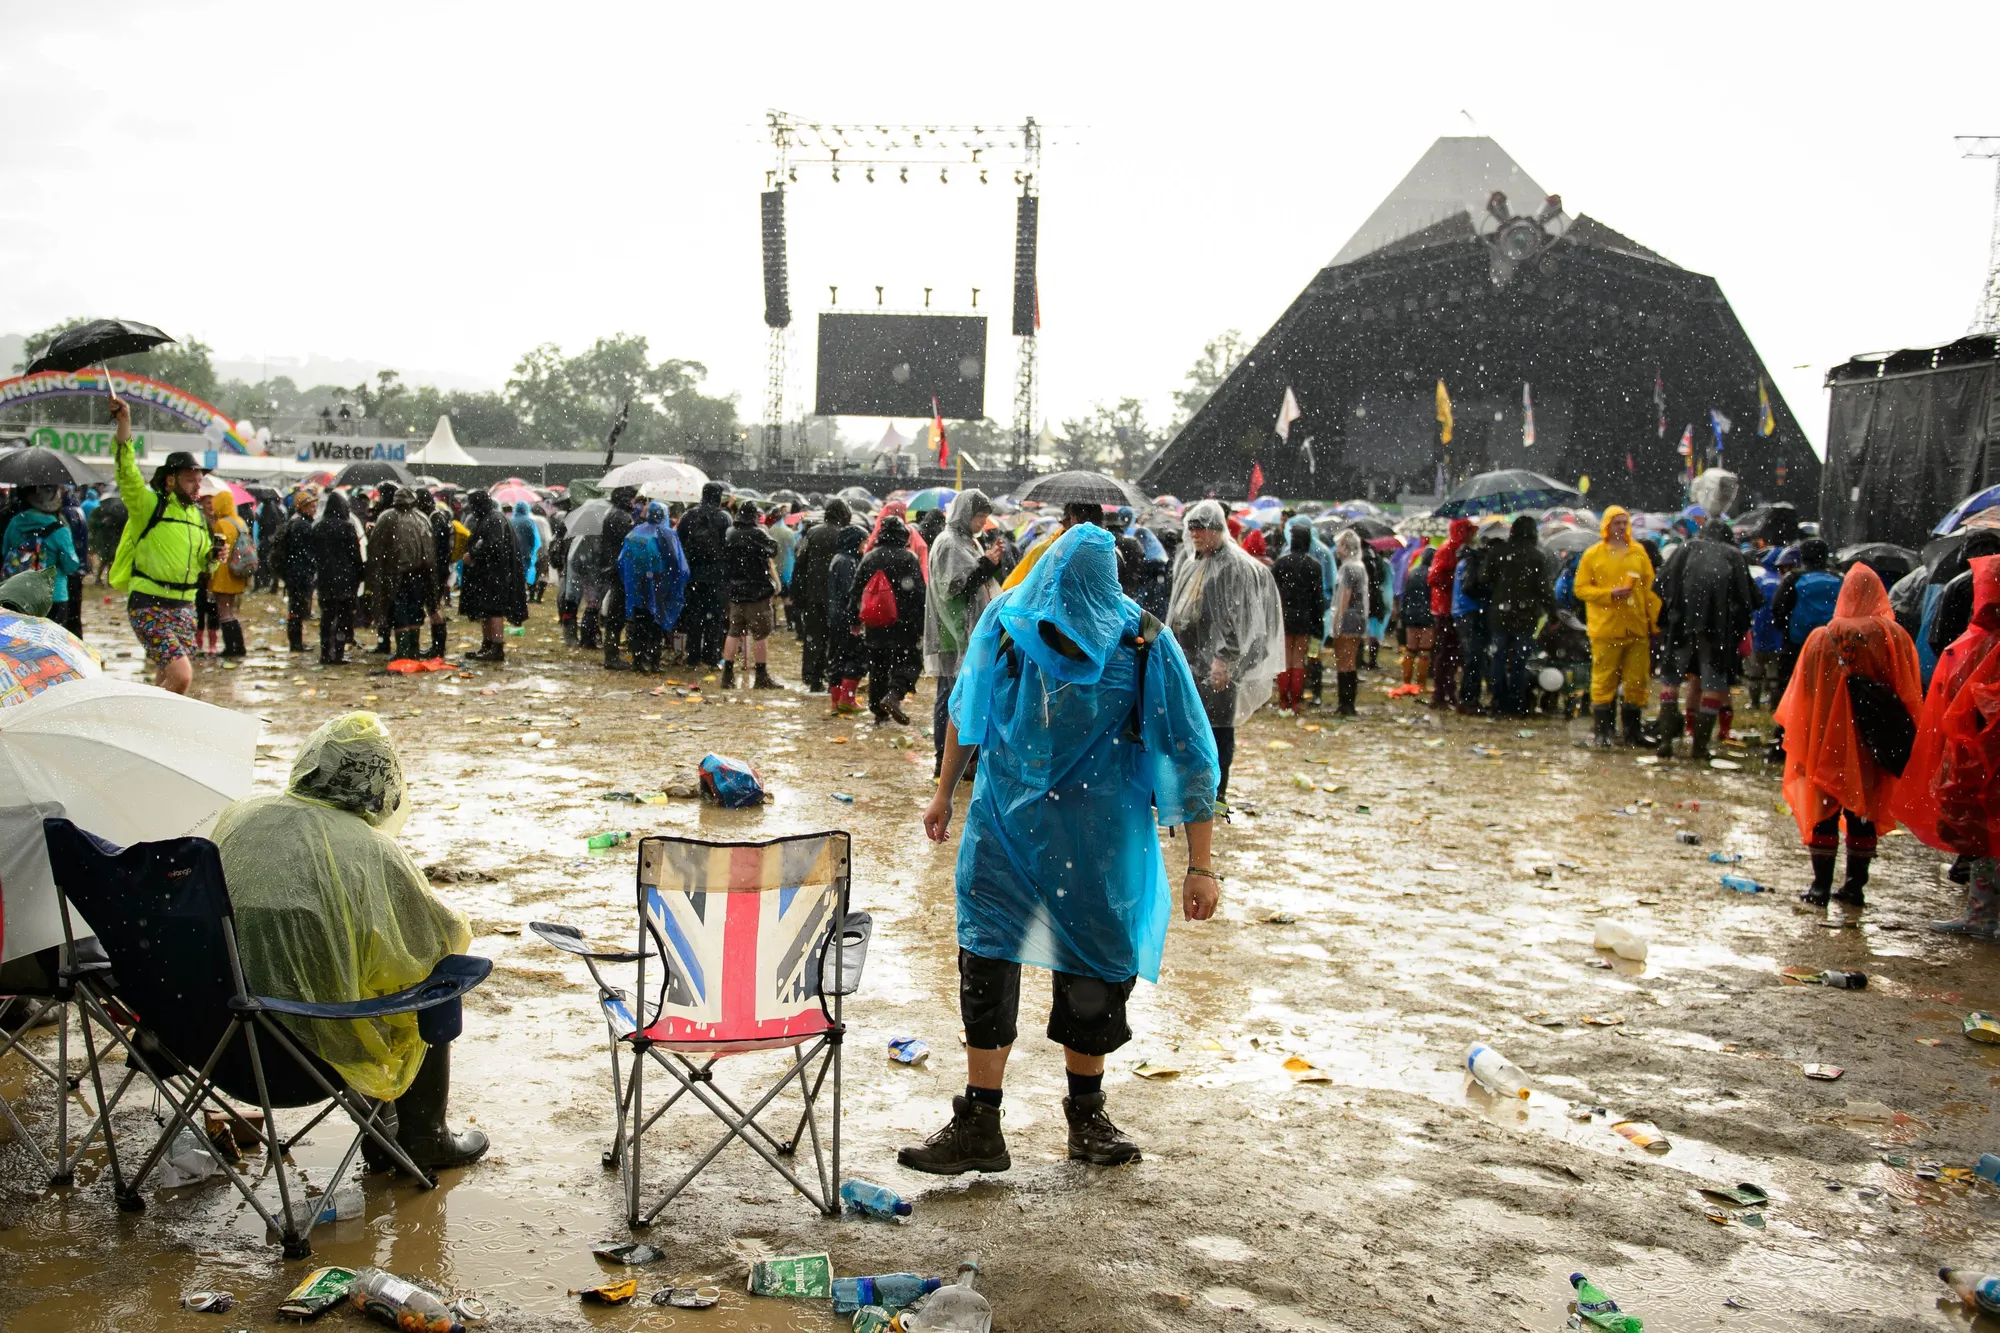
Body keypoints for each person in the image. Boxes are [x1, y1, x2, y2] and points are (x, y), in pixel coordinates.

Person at [904, 523, 1219, 1174]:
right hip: (1004, 830)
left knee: (1094, 977)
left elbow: (1189, 750)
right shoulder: (1005, 621)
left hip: (1098, 844)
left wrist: (1202, 863)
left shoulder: (1142, 641)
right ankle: (980, 1121)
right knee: (986, 960)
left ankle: (1087, 1118)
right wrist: (944, 791)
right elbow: (970, 709)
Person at [212, 713, 486, 1169]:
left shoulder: (241, 815)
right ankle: (423, 1136)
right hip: (313, 1055)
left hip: (209, 1039)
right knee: (441, 980)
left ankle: (386, 1126)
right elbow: (441, 938)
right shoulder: (373, 850)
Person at [1773, 564, 1921, 909]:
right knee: (1863, 810)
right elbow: (1909, 689)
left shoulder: (1821, 637)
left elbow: (1802, 691)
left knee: (1824, 808)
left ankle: (1820, 887)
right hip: (1873, 739)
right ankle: (1854, 888)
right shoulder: (1894, 636)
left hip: (1826, 737)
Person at [1895, 554, 2000, 935]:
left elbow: (1965, 700)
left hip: (1983, 755)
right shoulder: (1983, 641)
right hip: (1982, 752)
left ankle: (1983, 914)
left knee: (1987, 831)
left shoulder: (1983, 643)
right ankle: (1983, 912)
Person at [1167, 500, 1283, 806]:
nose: (1194, 533)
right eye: (1191, 527)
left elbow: (1236, 620)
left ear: (1218, 530)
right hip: (1192, 659)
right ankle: (1195, 785)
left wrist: (1224, 660)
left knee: (1219, 727)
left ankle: (1216, 791)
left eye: (1201, 527)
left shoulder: (1232, 565)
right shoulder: (1195, 561)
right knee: (1192, 726)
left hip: (1218, 665)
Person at [108, 401, 209, 695]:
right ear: (169, 480)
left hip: (185, 607)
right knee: (182, 677)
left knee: (166, 677)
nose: (197, 486)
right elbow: (126, 473)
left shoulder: (197, 516)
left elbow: (202, 564)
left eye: (200, 480)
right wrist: (124, 424)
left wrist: (213, 558)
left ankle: (145, 726)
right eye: (190, 480)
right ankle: (154, 724)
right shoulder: (148, 505)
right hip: (149, 604)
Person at [1652, 518, 1756, 759]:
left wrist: (1674, 616)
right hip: (1718, 631)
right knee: (1713, 685)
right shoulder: (1733, 555)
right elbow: (1747, 599)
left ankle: (1666, 741)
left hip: (1680, 627)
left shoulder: (1684, 548)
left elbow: (1661, 585)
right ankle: (1700, 747)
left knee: (1671, 681)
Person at [925, 490, 1003, 768]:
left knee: (966, 697)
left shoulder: (968, 542)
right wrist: (985, 565)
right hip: (953, 631)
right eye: (980, 517)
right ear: (965, 515)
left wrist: (991, 562)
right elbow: (953, 586)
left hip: (968, 629)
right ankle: (942, 761)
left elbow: (975, 579)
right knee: (950, 697)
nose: (983, 523)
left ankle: (963, 762)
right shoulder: (948, 543)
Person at [1573, 505, 1660, 747]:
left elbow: (1650, 591)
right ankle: (1603, 731)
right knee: (1604, 680)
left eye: (1624, 522)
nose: (1621, 527)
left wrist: (1654, 623)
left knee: (1636, 681)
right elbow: (1580, 589)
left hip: (1637, 628)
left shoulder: (1638, 552)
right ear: (1607, 526)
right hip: (1606, 629)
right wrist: (1609, 594)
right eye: (1617, 523)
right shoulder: (1593, 554)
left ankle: (1632, 731)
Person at [847, 513, 926, 724]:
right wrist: (922, 626)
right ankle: (894, 694)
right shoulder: (909, 558)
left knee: (878, 666)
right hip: (904, 624)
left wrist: (854, 620)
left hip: (876, 623)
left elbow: (856, 592)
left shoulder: (870, 557)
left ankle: (878, 712)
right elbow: (919, 594)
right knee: (910, 662)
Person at [1481, 515, 1553, 716]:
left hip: (1499, 614)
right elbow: (1544, 589)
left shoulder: (1499, 552)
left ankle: (1498, 701)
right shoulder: (1537, 556)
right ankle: (1518, 702)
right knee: (1520, 661)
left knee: (1498, 658)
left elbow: (1484, 577)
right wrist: (1553, 611)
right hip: (1526, 615)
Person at [618, 502, 690, 674]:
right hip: (659, 584)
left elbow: (622, 560)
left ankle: (637, 660)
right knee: (657, 622)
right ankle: (655, 663)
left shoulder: (635, 532)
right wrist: (676, 581)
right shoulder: (667, 533)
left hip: (637, 584)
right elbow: (678, 563)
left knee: (639, 622)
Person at [368, 488, 439, 661]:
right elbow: (430, 550)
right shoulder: (422, 518)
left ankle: (404, 651)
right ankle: (413, 649)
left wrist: (376, 573)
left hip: (396, 574)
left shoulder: (387, 517)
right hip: (420, 574)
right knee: (415, 611)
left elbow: (375, 547)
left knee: (399, 613)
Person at [3, 486, 83, 638]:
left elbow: (5, 552)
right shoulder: (59, 529)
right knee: (49, 646)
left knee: (20, 644)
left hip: (18, 596)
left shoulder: (15, 523)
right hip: (53, 596)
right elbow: (71, 565)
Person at [459, 490, 527, 663]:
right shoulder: (491, 517)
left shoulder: (493, 519)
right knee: (486, 610)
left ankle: (496, 648)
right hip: (490, 573)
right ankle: (487, 645)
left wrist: (473, 554)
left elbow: (492, 546)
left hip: (496, 574)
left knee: (493, 610)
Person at [721, 502, 783, 689]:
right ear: (754, 516)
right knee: (760, 634)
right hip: (756, 592)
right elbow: (773, 549)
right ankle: (761, 676)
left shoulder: (730, 532)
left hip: (736, 591)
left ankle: (727, 675)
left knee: (733, 632)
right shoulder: (757, 533)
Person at [793, 499, 851, 691]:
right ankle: (832, 676)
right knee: (835, 639)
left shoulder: (812, 532)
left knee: (813, 638)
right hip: (837, 597)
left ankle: (812, 675)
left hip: (813, 594)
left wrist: (798, 593)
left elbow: (800, 563)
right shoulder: (845, 535)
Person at [1268, 524, 1326, 714]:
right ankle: (1295, 701)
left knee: (1284, 658)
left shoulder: (1281, 563)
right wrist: (1319, 624)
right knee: (1298, 660)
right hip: (1304, 617)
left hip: (1284, 615)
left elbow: (1272, 593)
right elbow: (1318, 598)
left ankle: (1283, 699)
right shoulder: (1314, 566)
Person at [676, 482, 734, 670]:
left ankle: (693, 656)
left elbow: (679, 544)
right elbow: (729, 546)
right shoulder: (724, 518)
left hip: (692, 575)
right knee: (715, 618)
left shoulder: (688, 516)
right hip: (717, 576)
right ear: (718, 496)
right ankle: (712, 656)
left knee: (693, 616)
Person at [312, 490, 365, 665]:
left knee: (327, 616)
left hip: (325, 579)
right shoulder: (347, 527)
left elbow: (314, 555)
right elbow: (355, 556)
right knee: (343, 617)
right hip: (346, 580)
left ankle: (325, 652)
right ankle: (339, 652)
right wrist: (360, 574)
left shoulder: (319, 527)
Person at [1427, 519, 1474, 710]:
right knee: (1446, 654)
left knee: (1452, 654)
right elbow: (1434, 578)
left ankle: (1447, 692)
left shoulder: (1457, 549)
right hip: (1446, 609)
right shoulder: (1448, 550)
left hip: (1451, 608)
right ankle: (1441, 694)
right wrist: (1457, 577)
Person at [824, 522, 869, 716]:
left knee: (838, 656)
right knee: (853, 657)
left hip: (836, 617)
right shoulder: (847, 562)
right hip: (846, 618)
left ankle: (836, 701)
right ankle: (847, 699)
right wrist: (855, 619)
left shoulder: (838, 558)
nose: (865, 546)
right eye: (863, 542)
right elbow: (850, 593)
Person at [593, 487, 640, 667]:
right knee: (616, 615)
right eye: (633, 499)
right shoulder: (620, 517)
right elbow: (631, 539)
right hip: (619, 570)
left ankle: (612, 654)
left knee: (616, 614)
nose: (635, 503)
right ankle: (611, 657)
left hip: (614, 568)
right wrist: (641, 520)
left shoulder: (614, 514)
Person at [205, 488, 253, 658]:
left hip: (224, 573)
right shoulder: (240, 521)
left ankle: (232, 648)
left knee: (223, 612)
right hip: (237, 571)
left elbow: (217, 551)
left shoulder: (221, 524)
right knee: (231, 611)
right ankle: (239, 645)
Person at [1327, 530, 1371, 715]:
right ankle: (1349, 702)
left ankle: (1345, 703)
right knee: (1351, 661)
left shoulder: (1347, 568)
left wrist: (1337, 622)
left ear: (1346, 547)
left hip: (1348, 618)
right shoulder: (1359, 566)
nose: (1337, 550)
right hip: (1359, 618)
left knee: (1343, 661)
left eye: (1339, 546)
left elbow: (1343, 597)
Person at [274, 487, 320, 653]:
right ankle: (296, 643)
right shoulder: (302, 525)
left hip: (293, 572)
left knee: (296, 609)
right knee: (297, 609)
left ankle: (296, 642)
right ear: (302, 507)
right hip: (299, 573)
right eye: (310, 506)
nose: (313, 510)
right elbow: (307, 551)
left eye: (315, 506)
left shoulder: (295, 522)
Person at [417, 489, 453, 658]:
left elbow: (436, 547)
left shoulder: (435, 519)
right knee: (432, 605)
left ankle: (438, 647)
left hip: (435, 570)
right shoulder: (437, 516)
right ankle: (437, 646)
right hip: (438, 569)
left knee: (433, 606)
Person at [1398, 545, 1436, 695]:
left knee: (1410, 649)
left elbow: (1405, 595)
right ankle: (1421, 683)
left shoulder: (1412, 572)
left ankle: (1406, 682)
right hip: (1427, 616)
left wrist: (1403, 614)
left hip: (1410, 614)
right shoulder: (1431, 574)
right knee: (1425, 651)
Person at [509, 501, 542, 599]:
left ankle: (514, 595)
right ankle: (521, 594)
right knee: (523, 575)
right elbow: (533, 538)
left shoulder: (510, 521)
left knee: (513, 575)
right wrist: (532, 550)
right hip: (526, 553)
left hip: (513, 553)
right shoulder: (529, 522)